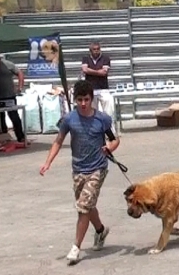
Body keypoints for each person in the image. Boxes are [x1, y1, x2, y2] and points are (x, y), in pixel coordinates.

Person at [39, 79, 120, 264]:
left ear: (92, 99)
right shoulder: (69, 119)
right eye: (79, 100)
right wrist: (47, 163)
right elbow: (58, 141)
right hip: (78, 170)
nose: (83, 104)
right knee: (87, 206)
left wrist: (109, 148)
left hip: (98, 168)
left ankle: (76, 247)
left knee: (83, 206)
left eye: (86, 99)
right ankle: (100, 231)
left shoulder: (102, 119)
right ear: (75, 100)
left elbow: (115, 140)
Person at [81, 42, 115, 126]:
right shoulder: (85, 58)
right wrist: (98, 71)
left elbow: (104, 72)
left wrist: (91, 71)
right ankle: (95, 132)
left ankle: (111, 133)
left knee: (108, 112)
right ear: (90, 51)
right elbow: (84, 70)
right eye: (94, 49)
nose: (96, 51)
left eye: (98, 49)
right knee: (92, 113)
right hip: (91, 89)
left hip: (104, 89)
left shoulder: (105, 58)